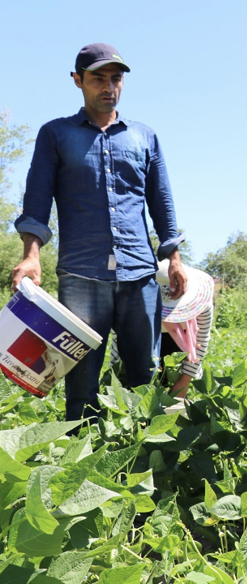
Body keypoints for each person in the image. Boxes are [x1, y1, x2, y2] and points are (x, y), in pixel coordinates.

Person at [11, 43, 187, 422]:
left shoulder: (143, 137)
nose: (109, 87)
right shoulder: (56, 135)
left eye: (116, 79)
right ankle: (82, 466)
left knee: (144, 374)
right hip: (81, 276)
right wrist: (31, 254)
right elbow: (37, 199)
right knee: (81, 383)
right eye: (97, 79)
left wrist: (173, 258)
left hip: (140, 275)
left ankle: (142, 461)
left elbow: (162, 202)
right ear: (78, 81)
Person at [110, 260, 214, 407]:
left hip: (181, 357)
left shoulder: (201, 303)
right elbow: (119, 343)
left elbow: (201, 342)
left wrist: (184, 382)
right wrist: (118, 381)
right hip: (140, 346)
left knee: (175, 412)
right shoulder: (129, 305)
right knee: (136, 406)